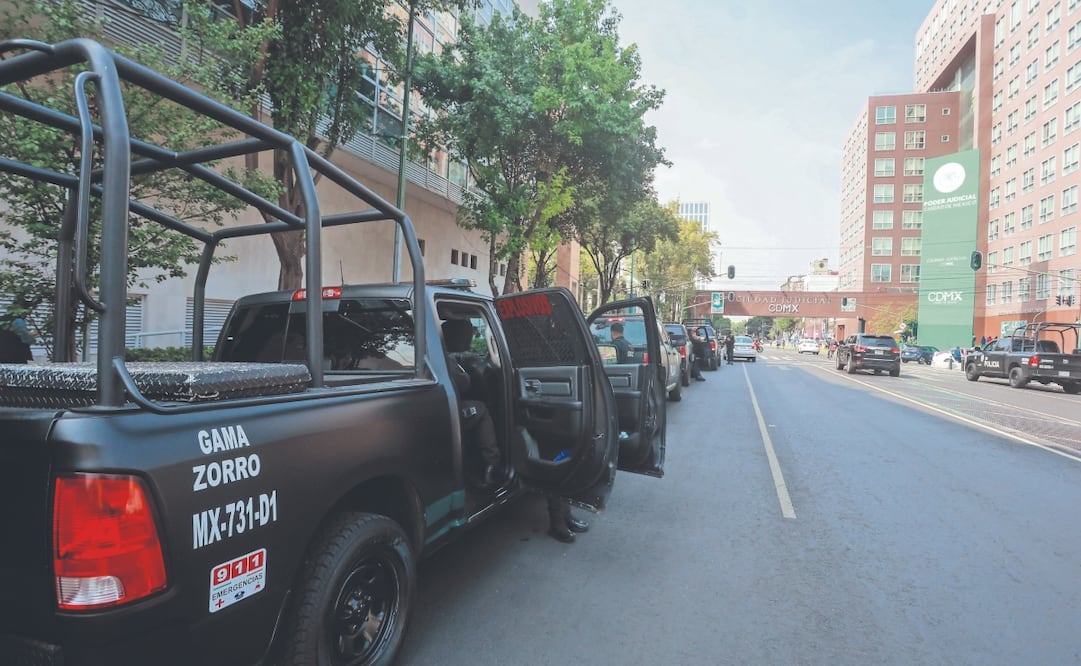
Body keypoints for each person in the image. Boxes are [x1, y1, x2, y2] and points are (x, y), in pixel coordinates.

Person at [442, 319, 502, 487]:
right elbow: (464, 383)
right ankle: (493, 463)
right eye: (467, 334)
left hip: (436, 411)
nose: (469, 338)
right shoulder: (446, 359)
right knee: (481, 409)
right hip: (446, 414)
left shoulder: (432, 353)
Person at [0, 296, 35, 364]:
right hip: (16, 357)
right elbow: (26, 339)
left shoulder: (1, 320)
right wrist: (31, 335)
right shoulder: (18, 321)